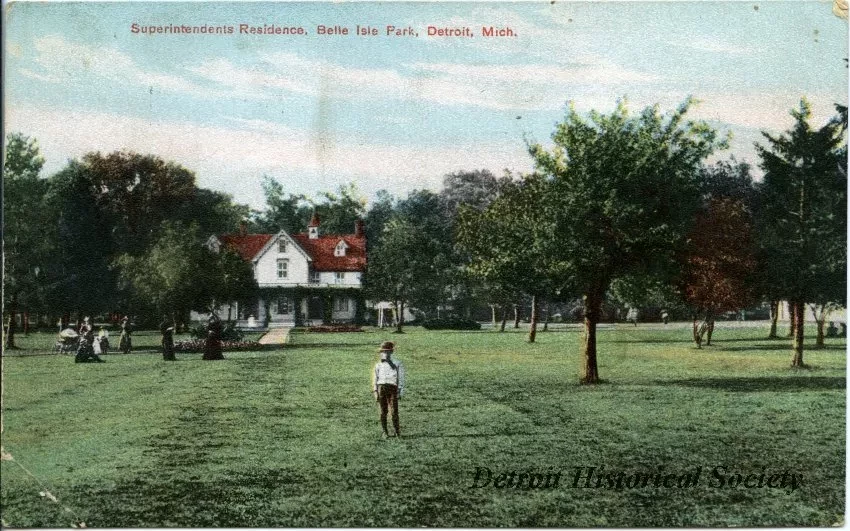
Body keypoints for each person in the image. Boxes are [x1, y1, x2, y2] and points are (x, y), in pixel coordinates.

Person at [372, 341, 405, 439]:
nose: (385, 354)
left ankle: (397, 431)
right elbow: (375, 379)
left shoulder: (397, 363)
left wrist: (400, 391)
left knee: (394, 411)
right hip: (381, 388)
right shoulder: (378, 365)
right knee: (383, 411)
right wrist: (375, 391)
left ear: (392, 352)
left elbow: (401, 378)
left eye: (388, 351)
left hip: (393, 388)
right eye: (383, 352)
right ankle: (385, 432)